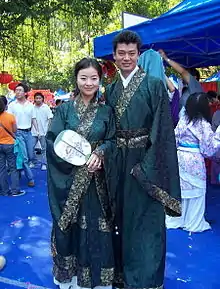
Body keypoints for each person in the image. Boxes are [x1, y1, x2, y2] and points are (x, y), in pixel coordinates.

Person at [106, 30, 181, 289]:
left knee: (147, 221)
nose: (126, 58)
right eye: (121, 53)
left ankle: (146, 278)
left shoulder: (153, 85)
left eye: (131, 53)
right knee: (120, 218)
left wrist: (147, 168)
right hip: (116, 162)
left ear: (139, 55)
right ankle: (123, 274)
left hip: (144, 164)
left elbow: (162, 130)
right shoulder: (110, 89)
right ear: (114, 56)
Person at [46, 58, 116, 289]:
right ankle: (71, 276)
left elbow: (112, 139)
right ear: (76, 79)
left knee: (97, 226)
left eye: (94, 78)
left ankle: (97, 277)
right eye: (83, 78)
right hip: (69, 180)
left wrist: (102, 153)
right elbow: (52, 142)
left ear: (100, 80)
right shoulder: (64, 110)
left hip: (97, 182)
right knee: (70, 226)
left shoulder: (106, 111)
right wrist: (73, 160)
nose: (88, 83)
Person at [166, 92, 220, 232]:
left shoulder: (183, 120)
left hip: (180, 158)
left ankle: (176, 219)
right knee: (196, 192)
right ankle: (193, 223)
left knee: (180, 191)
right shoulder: (203, 124)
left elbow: (174, 138)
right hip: (194, 159)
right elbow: (209, 149)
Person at [8, 83, 37, 187]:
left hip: (29, 133)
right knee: (24, 157)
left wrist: (37, 132)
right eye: (16, 90)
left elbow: (33, 119)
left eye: (20, 90)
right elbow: (9, 121)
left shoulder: (30, 105)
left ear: (25, 93)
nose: (18, 92)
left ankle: (19, 171)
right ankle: (31, 178)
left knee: (30, 156)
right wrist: (12, 133)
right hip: (17, 133)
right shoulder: (12, 105)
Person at [0, 97, 25, 196]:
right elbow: (14, 130)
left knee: (1, 169)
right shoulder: (10, 117)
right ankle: (15, 190)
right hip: (9, 144)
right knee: (13, 168)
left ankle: (4, 191)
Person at [32, 92, 53, 170]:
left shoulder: (46, 107)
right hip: (33, 132)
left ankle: (44, 163)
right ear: (34, 99)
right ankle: (33, 162)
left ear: (42, 99)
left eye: (39, 98)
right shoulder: (32, 107)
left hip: (44, 132)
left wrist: (48, 129)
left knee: (44, 149)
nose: (38, 100)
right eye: (36, 98)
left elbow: (50, 118)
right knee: (31, 148)